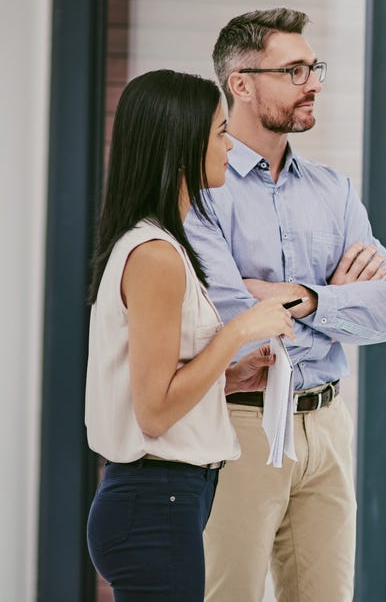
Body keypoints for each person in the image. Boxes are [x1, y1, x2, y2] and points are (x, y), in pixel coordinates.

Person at [185, 7, 386, 602]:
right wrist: (340, 302)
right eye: (294, 71)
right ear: (241, 83)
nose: (313, 83)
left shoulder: (333, 191)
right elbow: (239, 327)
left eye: (314, 69)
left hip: (329, 425)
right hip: (241, 422)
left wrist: (305, 298)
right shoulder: (200, 188)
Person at [85, 69, 296, 601]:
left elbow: (159, 387)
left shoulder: (161, 247)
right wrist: (241, 328)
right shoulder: (156, 256)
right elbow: (154, 411)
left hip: (162, 502)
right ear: (182, 147)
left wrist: (229, 377)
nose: (230, 145)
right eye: (221, 133)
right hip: (156, 504)